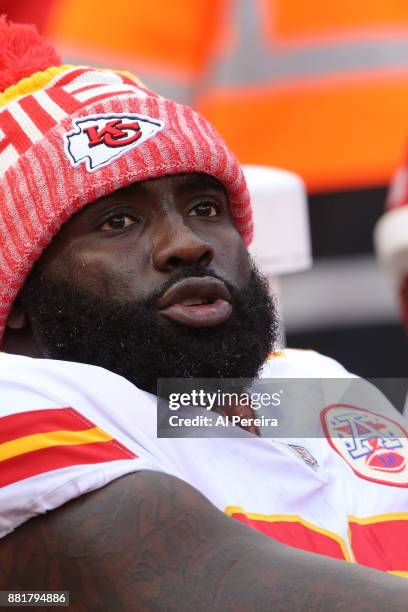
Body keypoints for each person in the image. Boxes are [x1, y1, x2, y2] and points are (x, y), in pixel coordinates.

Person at [1, 18, 408, 610]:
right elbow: (192, 580)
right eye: (117, 221)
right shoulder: (22, 394)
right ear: (14, 301)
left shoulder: (310, 385)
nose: (188, 243)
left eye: (204, 206)